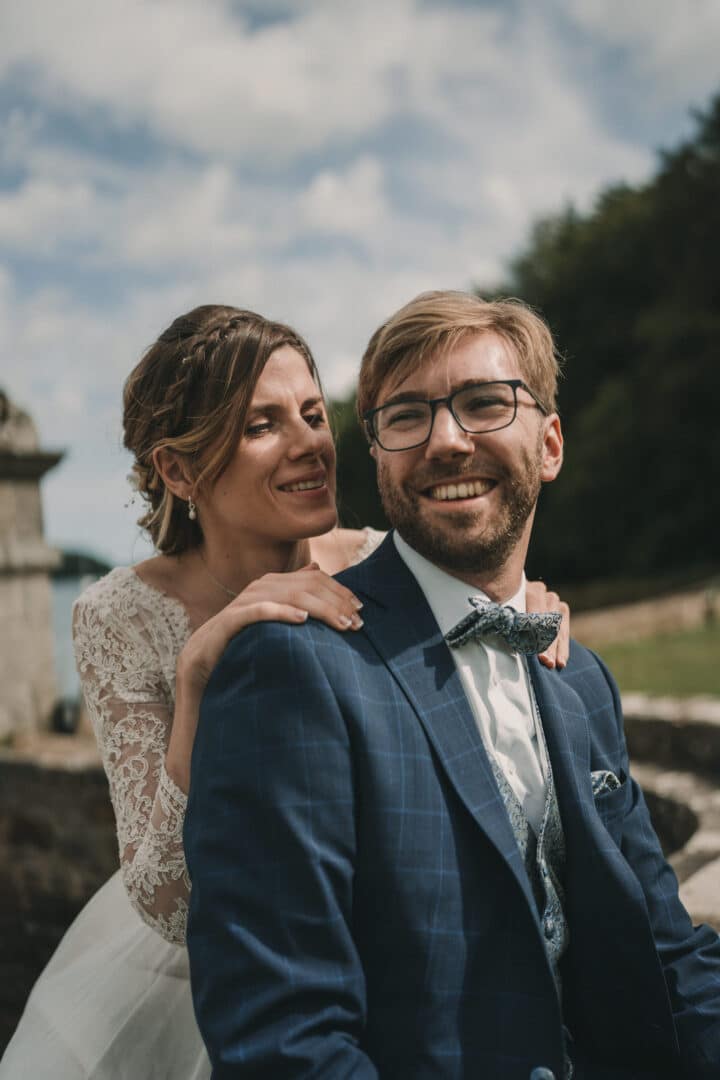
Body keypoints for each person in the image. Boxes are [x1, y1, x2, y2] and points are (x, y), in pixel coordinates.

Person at [0, 304, 569, 1078]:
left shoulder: (383, 559)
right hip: (215, 983)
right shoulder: (119, 615)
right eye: (261, 425)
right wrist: (197, 677)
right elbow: (165, 899)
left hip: (402, 946)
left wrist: (528, 609)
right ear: (179, 471)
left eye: (311, 413)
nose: (310, 444)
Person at [185, 291, 720, 1080]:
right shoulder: (292, 669)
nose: (445, 440)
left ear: (550, 444)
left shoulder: (582, 678)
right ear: (378, 456)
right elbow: (285, 1042)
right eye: (407, 416)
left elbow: (668, 953)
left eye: (484, 403)